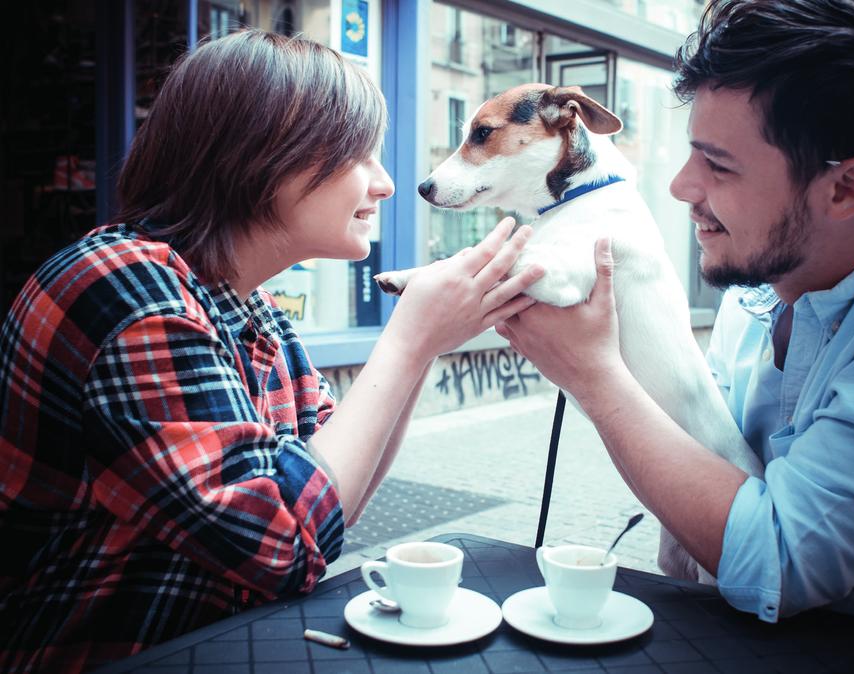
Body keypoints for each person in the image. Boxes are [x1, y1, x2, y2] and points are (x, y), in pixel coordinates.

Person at [0, 31, 542, 673]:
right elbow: (285, 544)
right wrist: (410, 339)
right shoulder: (125, 289)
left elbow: (331, 508)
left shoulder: (251, 309)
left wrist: (423, 347)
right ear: (264, 156)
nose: (388, 185)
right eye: (360, 156)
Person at [497, 0, 854, 647]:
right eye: (692, 154)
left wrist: (595, 375)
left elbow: (777, 563)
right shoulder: (755, 295)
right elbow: (700, 492)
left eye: (718, 165)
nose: (682, 188)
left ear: (846, 189)